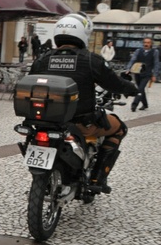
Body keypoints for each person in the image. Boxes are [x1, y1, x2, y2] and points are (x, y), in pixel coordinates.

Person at [29, 13, 137, 194]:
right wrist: (132, 89)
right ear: (82, 34)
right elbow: (114, 83)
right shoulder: (90, 60)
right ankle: (97, 178)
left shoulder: (42, 59)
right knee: (119, 128)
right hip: (80, 123)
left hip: (44, 122)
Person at [124, 37, 159, 112]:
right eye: (145, 42)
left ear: (151, 44)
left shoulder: (155, 52)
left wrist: (155, 75)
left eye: (148, 43)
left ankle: (134, 105)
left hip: (147, 74)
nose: (146, 44)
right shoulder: (138, 51)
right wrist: (128, 69)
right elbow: (133, 59)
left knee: (140, 89)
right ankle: (145, 104)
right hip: (138, 73)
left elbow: (156, 64)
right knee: (141, 89)